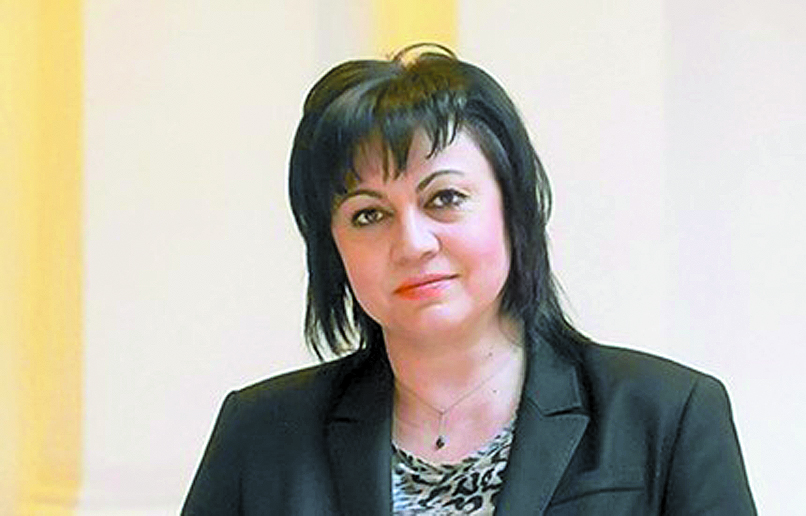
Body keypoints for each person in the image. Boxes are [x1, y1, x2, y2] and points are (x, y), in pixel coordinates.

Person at [182, 44, 756, 515]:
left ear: (513, 209)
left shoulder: (669, 415)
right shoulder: (261, 435)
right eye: (369, 214)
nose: (413, 243)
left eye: (445, 198)